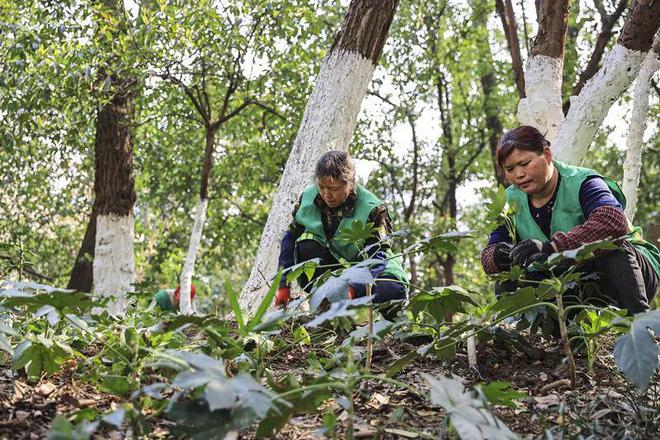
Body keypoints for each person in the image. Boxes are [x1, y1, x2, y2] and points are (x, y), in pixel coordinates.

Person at [481, 125, 659, 314]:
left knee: (612, 249)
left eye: (525, 164)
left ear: (547, 155)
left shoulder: (584, 181)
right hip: (570, 285)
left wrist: (552, 248)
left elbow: (613, 223)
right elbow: (489, 257)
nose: (519, 174)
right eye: (510, 169)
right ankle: (539, 335)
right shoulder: (510, 200)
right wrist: (498, 255)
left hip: (631, 272)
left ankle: (641, 324)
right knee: (507, 278)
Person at [274, 150, 409, 308]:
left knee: (390, 289)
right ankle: (323, 305)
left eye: (333, 188)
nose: (326, 194)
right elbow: (290, 238)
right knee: (306, 244)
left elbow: (377, 259)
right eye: (321, 187)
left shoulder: (374, 209)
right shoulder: (308, 197)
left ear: (349, 183)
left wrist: (353, 288)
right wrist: (282, 283)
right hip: (330, 266)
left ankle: (384, 326)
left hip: (369, 269)